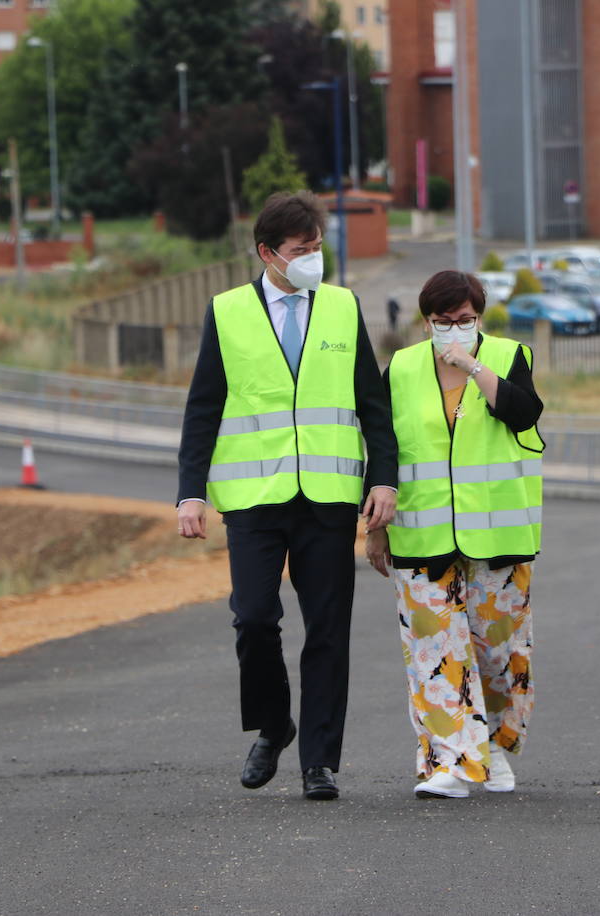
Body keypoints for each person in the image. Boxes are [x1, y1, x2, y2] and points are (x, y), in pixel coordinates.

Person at [176, 191, 398, 802]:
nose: (313, 260)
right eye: (300, 251)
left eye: (318, 248)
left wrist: (383, 479)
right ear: (267, 253)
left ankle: (319, 761)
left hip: (327, 498)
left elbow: (371, 405)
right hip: (253, 497)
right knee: (253, 619)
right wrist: (189, 493)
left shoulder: (342, 307)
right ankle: (274, 726)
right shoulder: (226, 312)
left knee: (328, 629)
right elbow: (204, 408)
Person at [365, 270, 544, 799]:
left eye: (464, 321)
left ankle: (494, 749)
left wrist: (471, 365)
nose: (452, 330)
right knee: (434, 652)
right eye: (442, 323)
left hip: (497, 537)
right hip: (421, 535)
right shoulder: (400, 367)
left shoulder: (511, 357)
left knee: (498, 653)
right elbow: (384, 447)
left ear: (479, 318)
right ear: (425, 323)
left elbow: (523, 413)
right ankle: (448, 762)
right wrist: (375, 529)